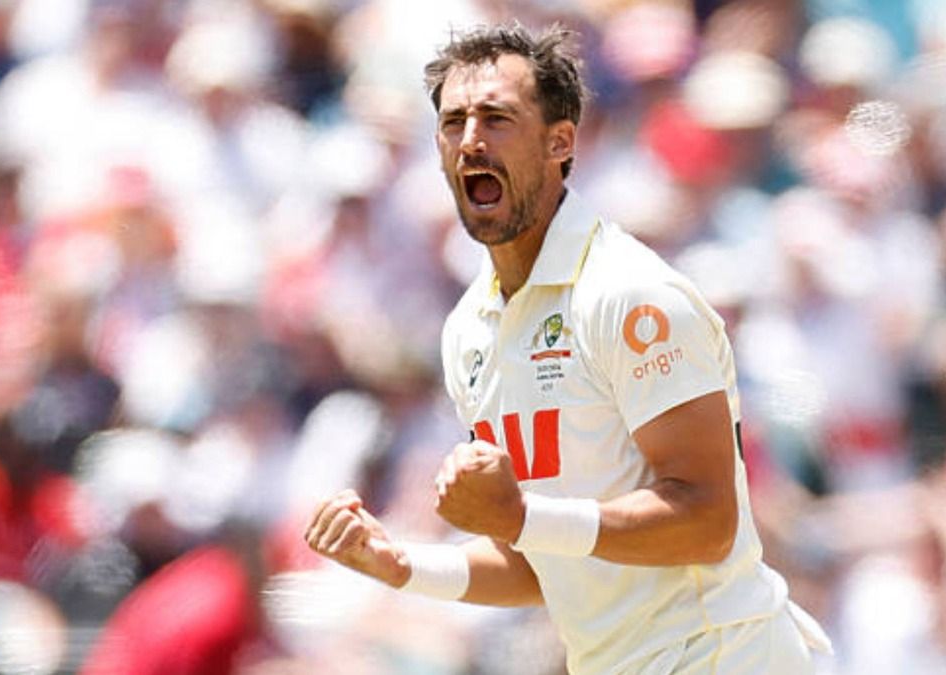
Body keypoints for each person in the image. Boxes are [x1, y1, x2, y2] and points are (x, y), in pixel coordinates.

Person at [305, 23, 831, 674]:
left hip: (724, 654)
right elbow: (542, 559)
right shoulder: (470, 327)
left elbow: (708, 519)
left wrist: (523, 513)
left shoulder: (631, 294)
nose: (471, 139)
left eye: (497, 118)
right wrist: (403, 563)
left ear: (560, 143)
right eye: (454, 121)